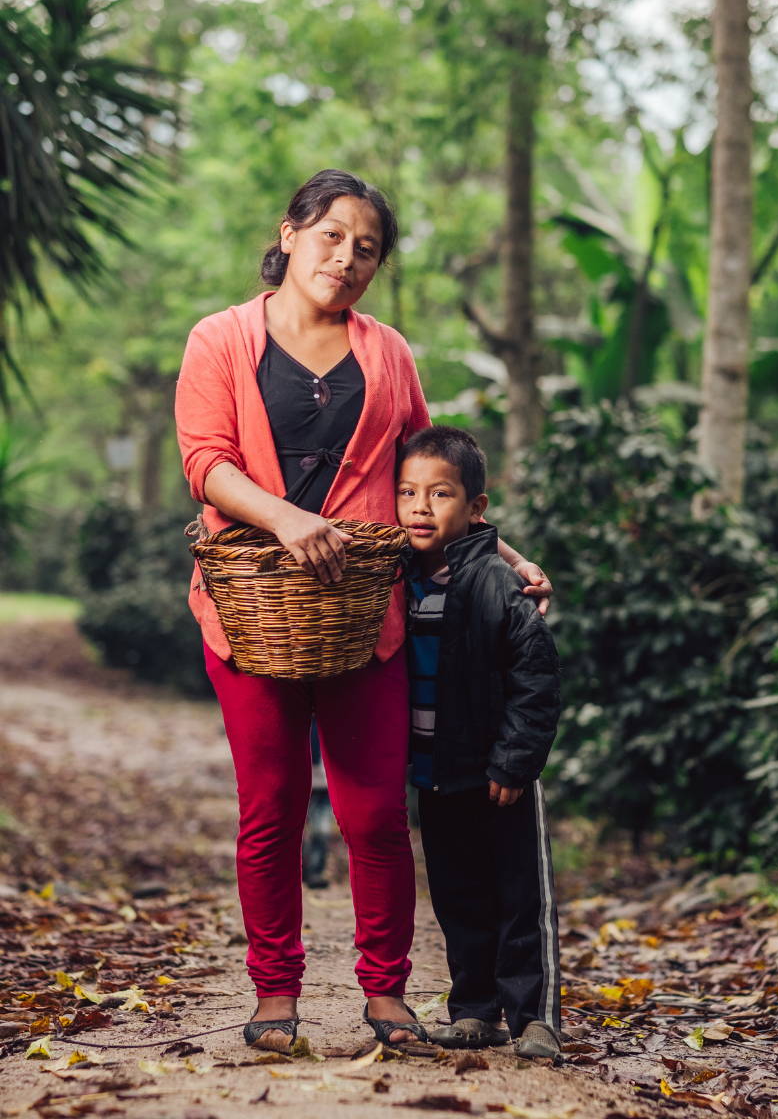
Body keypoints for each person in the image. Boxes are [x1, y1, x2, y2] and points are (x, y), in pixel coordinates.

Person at [174, 168, 553, 1052]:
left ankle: (385, 993)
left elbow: (428, 478)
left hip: (365, 619)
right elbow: (205, 461)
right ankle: (275, 994)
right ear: (291, 232)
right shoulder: (221, 340)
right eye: (332, 236)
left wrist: (504, 553)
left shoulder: (387, 353)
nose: (346, 259)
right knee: (267, 811)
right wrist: (286, 519)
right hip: (251, 616)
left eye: (367, 249)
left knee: (376, 814)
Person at [396, 425, 562, 1060]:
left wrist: (516, 760)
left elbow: (536, 679)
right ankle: (473, 1009)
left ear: (476, 508)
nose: (420, 507)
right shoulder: (398, 580)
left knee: (520, 896)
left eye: (440, 494)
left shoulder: (499, 584)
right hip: (437, 772)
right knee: (457, 893)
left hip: (499, 774)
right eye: (408, 493)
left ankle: (533, 1017)